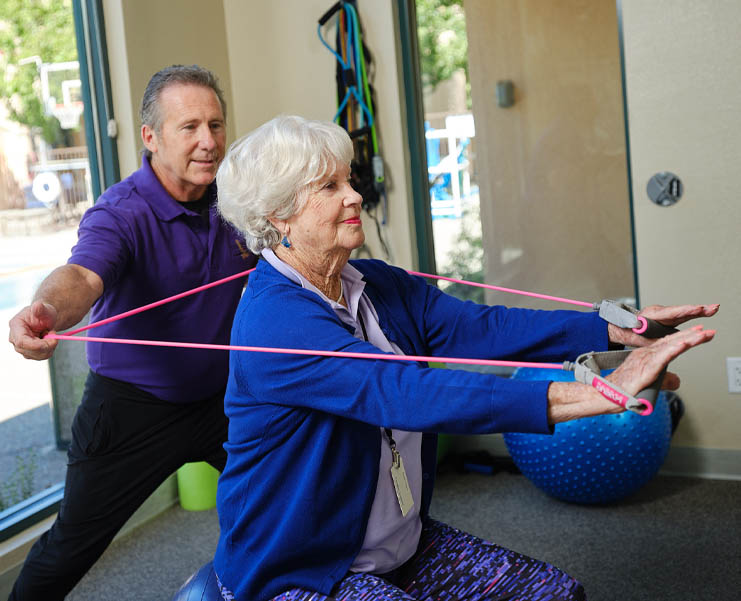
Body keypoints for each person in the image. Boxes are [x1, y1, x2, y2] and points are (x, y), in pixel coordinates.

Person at [212, 115, 717, 601]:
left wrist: (618, 328)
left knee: (557, 594)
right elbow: (404, 392)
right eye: (329, 187)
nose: (355, 196)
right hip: (300, 571)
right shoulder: (273, 321)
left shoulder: (377, 285)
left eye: (349, 180)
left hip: (396, 549)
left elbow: (485, 328)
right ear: (279, 215)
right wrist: (599, 393)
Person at [6, 65, 257, 600]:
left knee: (287, 485)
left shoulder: (234, 200)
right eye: (189, 127)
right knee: (70, 546)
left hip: (220, 400)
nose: (208, 142)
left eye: (216, 125)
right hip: (132, 410)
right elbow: (81, 275)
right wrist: (46, 310)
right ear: (151, 137)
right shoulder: (121, 212)